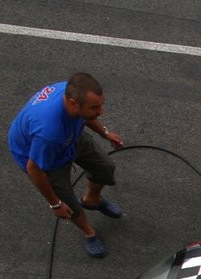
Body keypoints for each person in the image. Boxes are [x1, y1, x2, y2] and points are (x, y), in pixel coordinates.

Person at [7, 72, 124, 259]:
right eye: (95, 107)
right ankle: (89, 232)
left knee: (105, 168)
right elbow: (34, 169)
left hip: (69, 136)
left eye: (101, 105)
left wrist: (105, 132)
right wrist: (55, 203)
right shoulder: (49, 133)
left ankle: (91, 199)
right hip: (45, 156)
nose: (100, 111)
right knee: (69, 205)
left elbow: (85, 116)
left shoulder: (70, 92)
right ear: (73, 103)